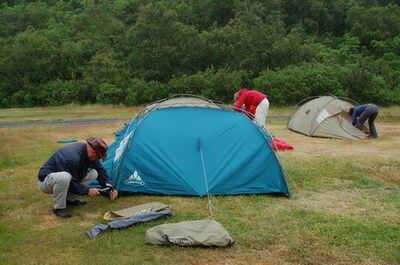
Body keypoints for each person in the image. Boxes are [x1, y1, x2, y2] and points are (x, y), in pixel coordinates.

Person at [38, 137, 118, 218]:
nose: (98, 159)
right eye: (99, 157)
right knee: (64, 177)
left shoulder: (90, 154)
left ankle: (70, 200)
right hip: (46, 182)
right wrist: (87, 191)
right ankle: (59, 208)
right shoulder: (71, 157)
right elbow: (72, 182)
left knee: (94, 173)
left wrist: (111, 187)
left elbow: (101, 171)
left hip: (67, 179)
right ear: (94, 152)